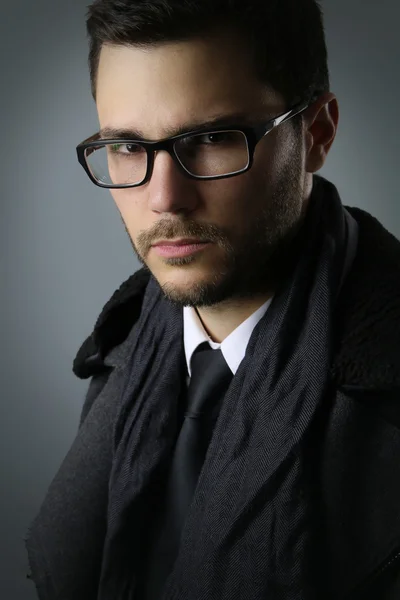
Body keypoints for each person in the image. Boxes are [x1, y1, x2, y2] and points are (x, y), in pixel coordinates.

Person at [25, 0, 400, 598]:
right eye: (127, 148)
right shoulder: (124, 351)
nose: (165, 198)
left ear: (318, 135)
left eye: (214, 139)